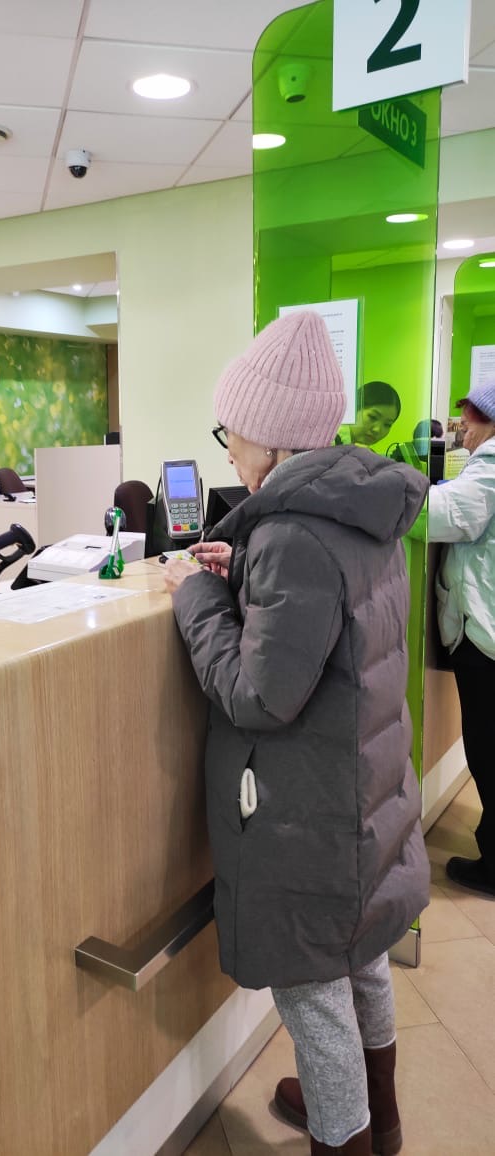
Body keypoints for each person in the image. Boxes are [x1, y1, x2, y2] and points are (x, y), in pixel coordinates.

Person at [163, 311, 430, 1155]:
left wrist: (197, 597)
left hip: (310, 811)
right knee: (365, 957)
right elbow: (330, 624)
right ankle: (380, 1119)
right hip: (363, 795)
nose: (229, 453)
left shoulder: (290, 532)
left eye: (231, 434)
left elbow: (256, 696)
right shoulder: (358, 508)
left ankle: (344, 1134)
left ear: (274, 439)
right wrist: (246, 571)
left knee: (313, 996)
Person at [425, 384, 495, 897]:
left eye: (470, 418)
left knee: (488, 751)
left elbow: (442, 517)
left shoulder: (490, 465)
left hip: (485, 635)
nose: (462, 427)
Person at [336, 380, 401, 447]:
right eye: (373, 417)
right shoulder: (332, 440)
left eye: (387, 424)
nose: (377, 430)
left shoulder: (359, 450)